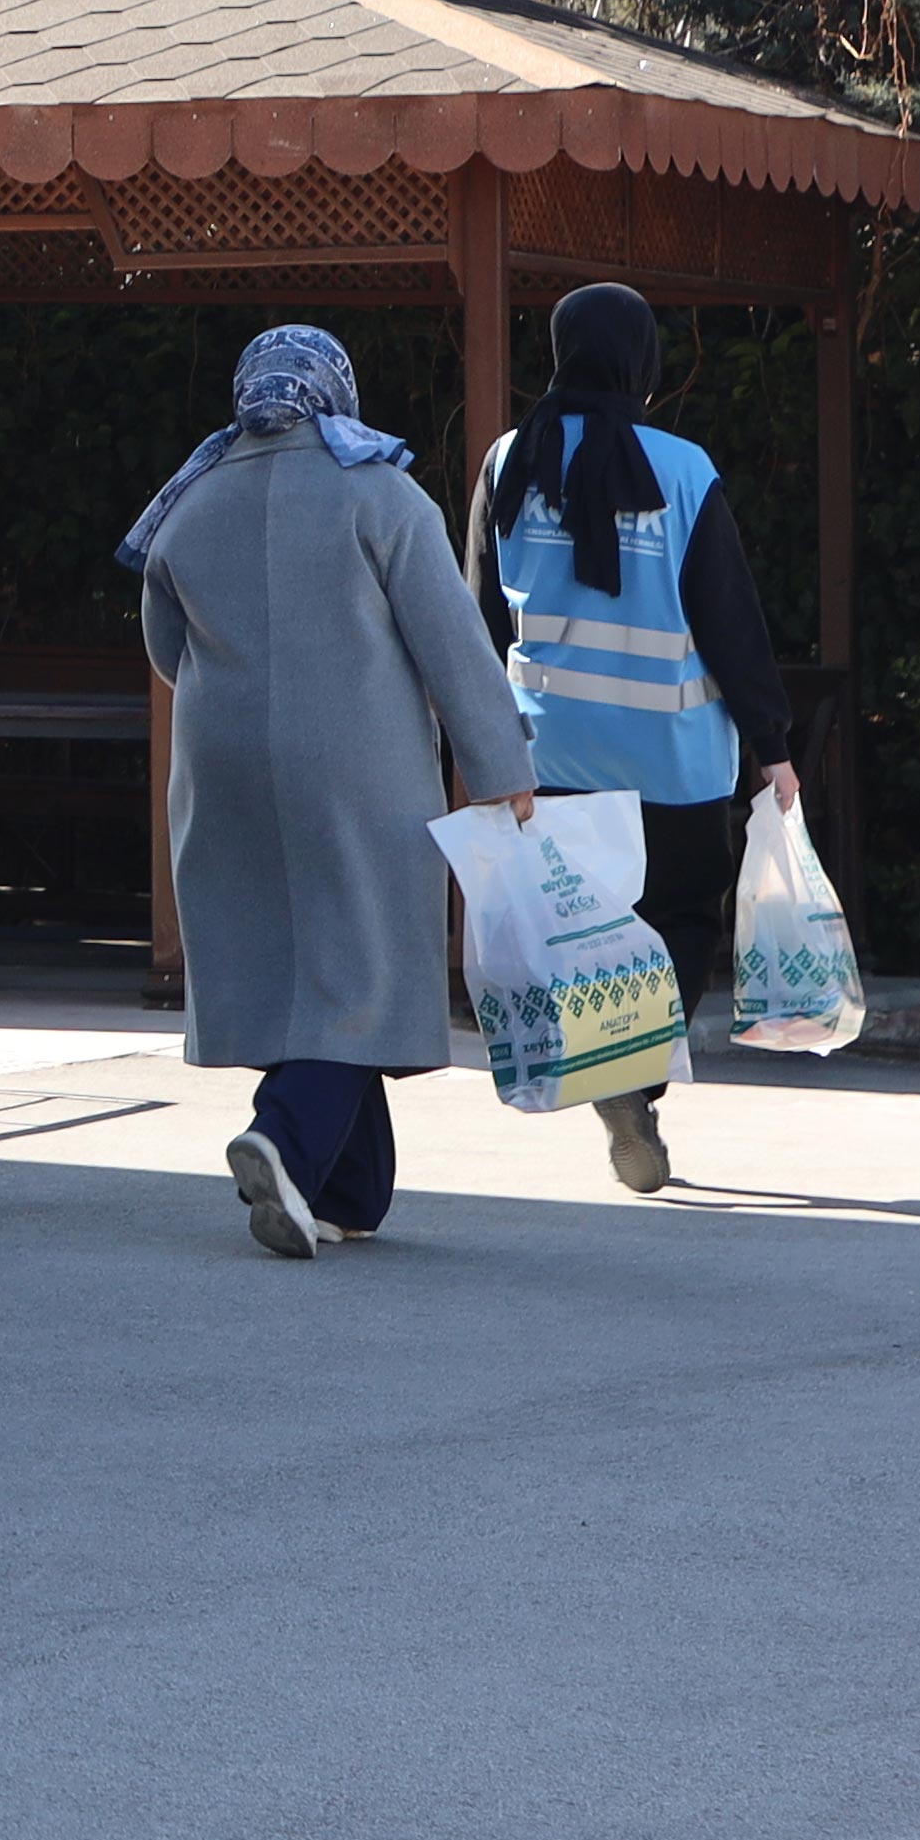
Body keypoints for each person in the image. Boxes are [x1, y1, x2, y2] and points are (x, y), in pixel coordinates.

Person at [129, 327, 535, 1254]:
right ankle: (284, 1134)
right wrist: (503, 769)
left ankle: (349, 1190)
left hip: (221, 762)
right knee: (366, 956)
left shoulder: (188, 500)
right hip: (359, 764)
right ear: (333, 390)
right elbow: (451, 643)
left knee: (288, 959)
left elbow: (164, 648)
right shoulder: (379, 491)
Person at [464, 283, 795, 1197]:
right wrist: (773, 746)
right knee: (679, 922)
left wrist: (480, 747)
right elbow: (730, 622)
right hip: (673, 758)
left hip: (549, 756)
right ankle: (633, 1080)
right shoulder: (685, 471)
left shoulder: (508, 461)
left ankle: (609, 1069)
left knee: (580, 928)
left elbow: (481, 618)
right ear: (643, 360)